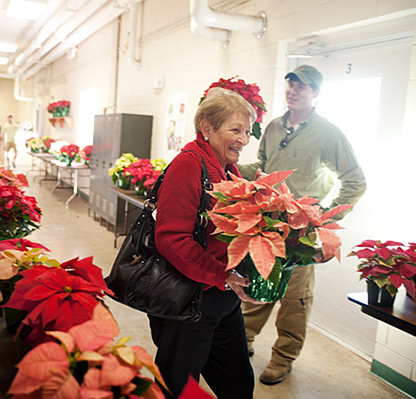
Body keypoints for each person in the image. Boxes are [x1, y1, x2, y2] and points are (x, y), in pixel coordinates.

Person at [238, 65, 367, 385]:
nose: (293, 90)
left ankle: (283, 357)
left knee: (295, 298)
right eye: (290, 84)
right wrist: (229, 165)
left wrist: (324, 220)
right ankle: (245, 341)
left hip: (301, 231)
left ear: (316, 93)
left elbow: (355, 181)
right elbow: (264, 167)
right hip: (267, 224)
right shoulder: (273, 127)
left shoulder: (330, 133)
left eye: (302, 87)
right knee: (256, 286)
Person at [150, 88, 259, 399]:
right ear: (207, 128)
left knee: (237, 383)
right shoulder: (189, 164)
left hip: (223, 299)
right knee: (178, 388)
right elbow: (171, 238)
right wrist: (221, 275)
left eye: (247, 132)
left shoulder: (229, 170)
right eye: (235, 130)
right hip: (189, 300)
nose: (243, 139)